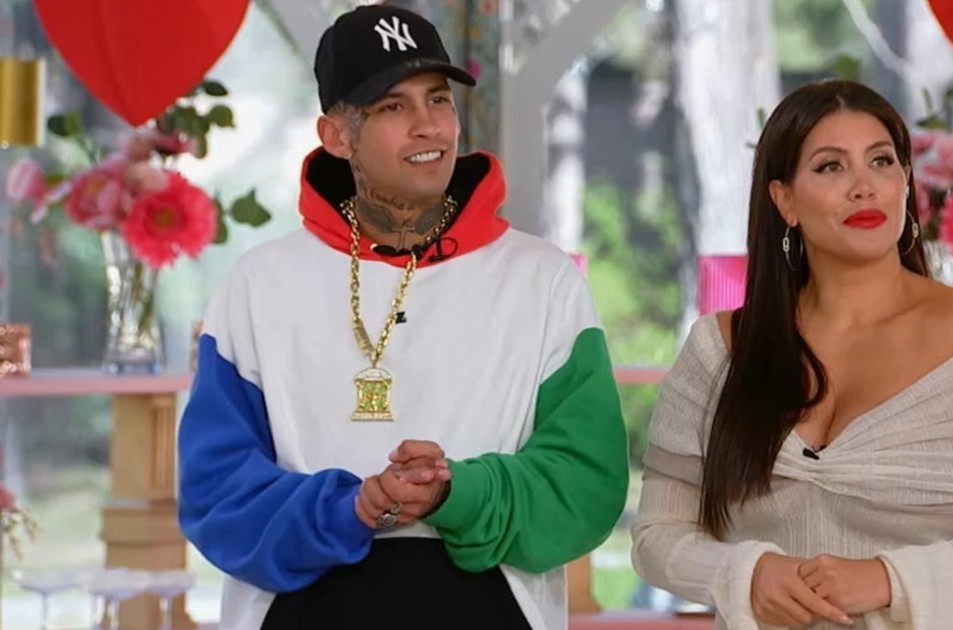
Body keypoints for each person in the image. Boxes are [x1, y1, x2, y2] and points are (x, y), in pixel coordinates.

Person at [177, 5, 629, 629]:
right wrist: (350, 508)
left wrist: (456, 493)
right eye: (393, 106)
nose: (428, 126)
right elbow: (216, 492)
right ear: (337, 136)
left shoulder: (543, 281)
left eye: (438, 99)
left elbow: (585, 484)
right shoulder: (257, 286)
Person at [630, 80, 953, 630]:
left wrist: (887, 579)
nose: (864, 187)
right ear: (784, 200)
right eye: (830, 167)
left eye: (881, 161)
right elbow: (657, 537)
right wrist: (746, 573)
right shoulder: (720, 349)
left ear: (906, 181)